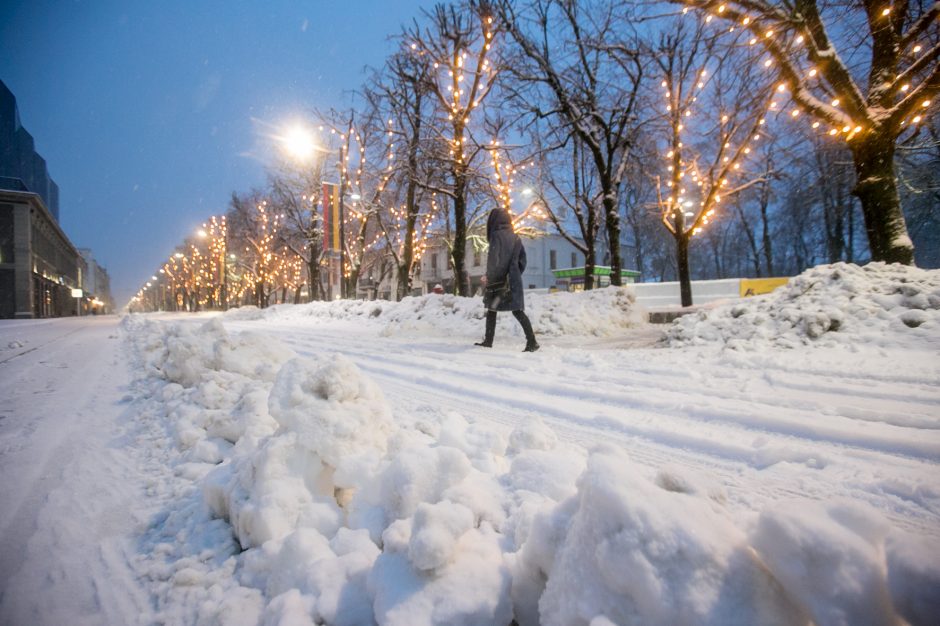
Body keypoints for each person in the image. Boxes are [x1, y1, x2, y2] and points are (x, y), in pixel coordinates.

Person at [475, 208, 539, 352]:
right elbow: (523, 260)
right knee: (517, 310)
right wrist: (515, 273)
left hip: (498, 281)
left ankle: (488, 341)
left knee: (492, 309)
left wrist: (490, 276)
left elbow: (494, 260)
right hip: (513, 281)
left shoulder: (496, 236)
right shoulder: (516, 237)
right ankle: (532, 341)